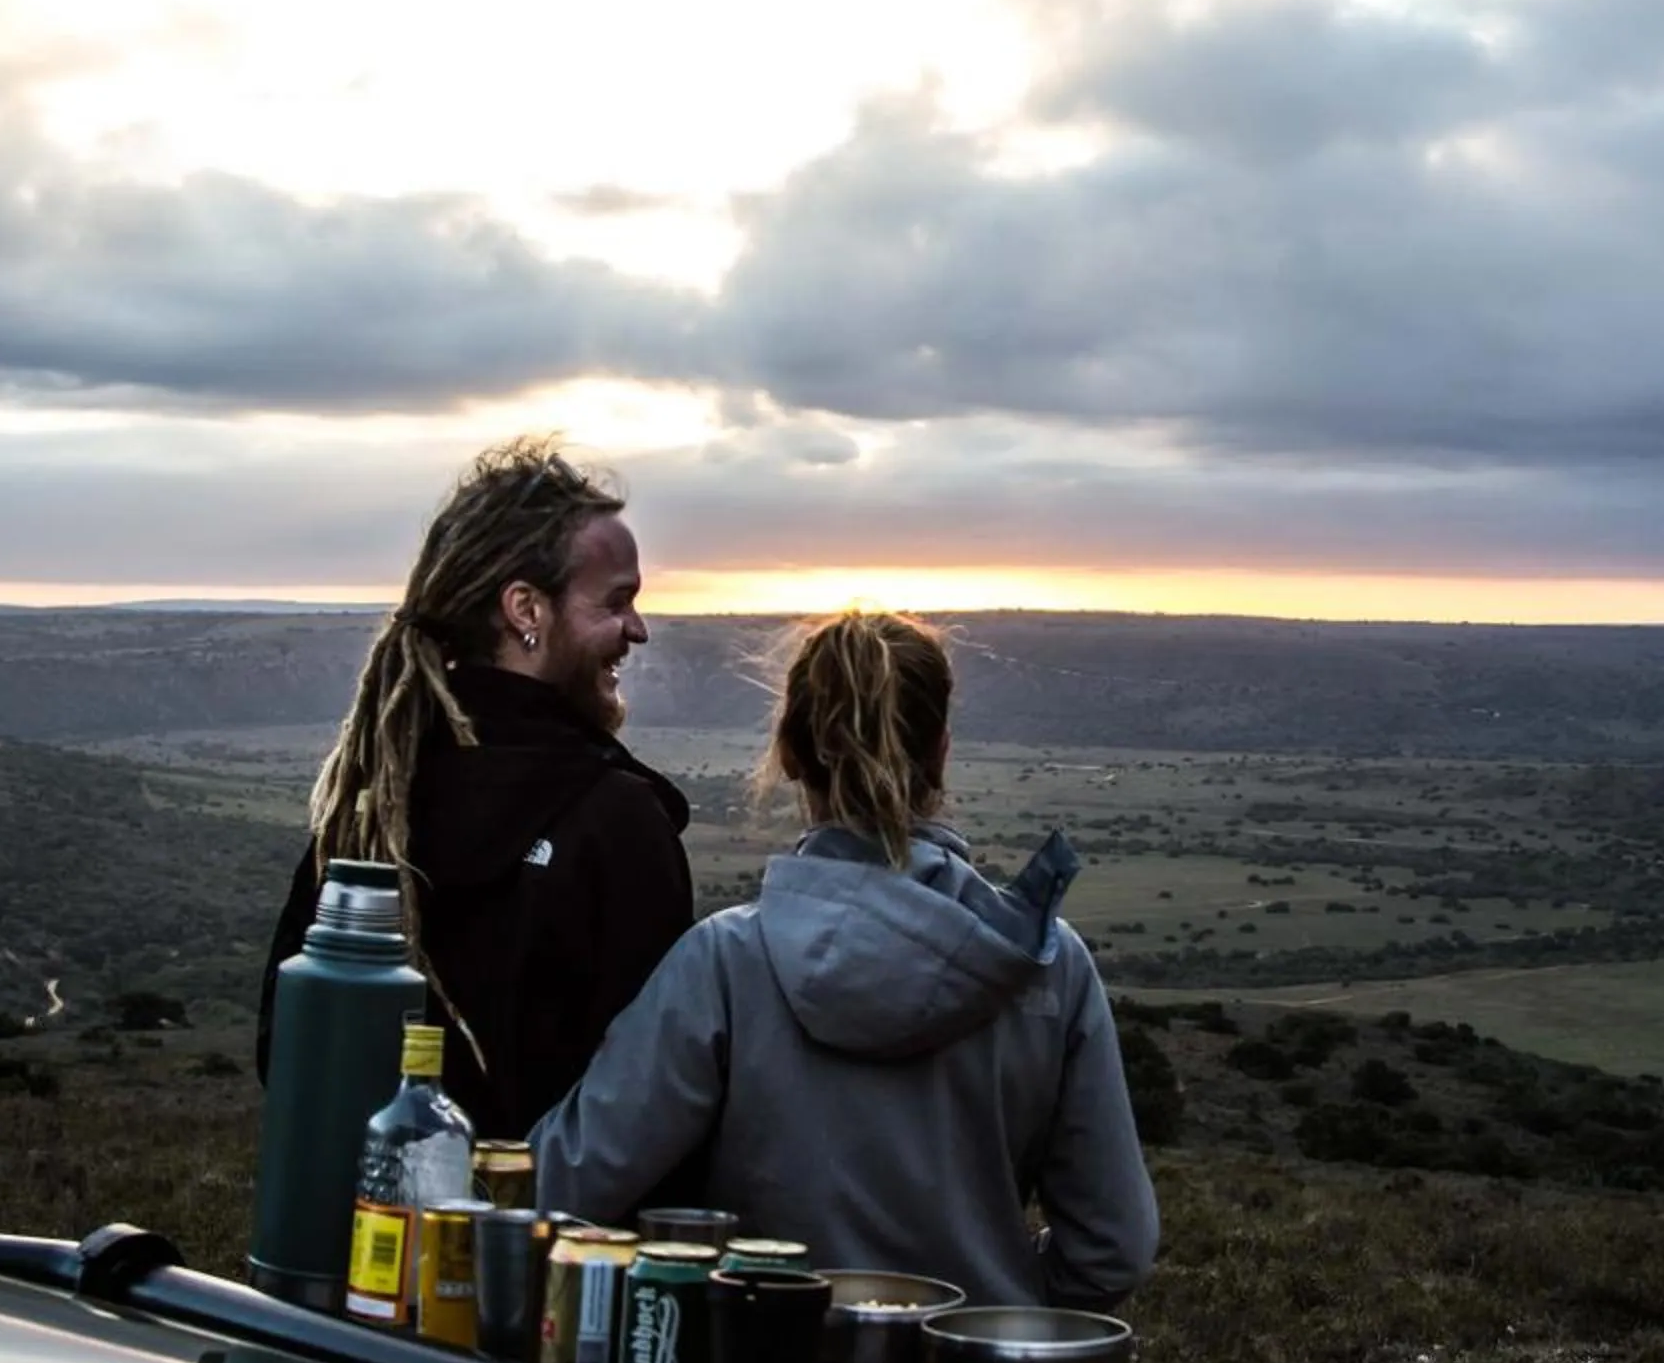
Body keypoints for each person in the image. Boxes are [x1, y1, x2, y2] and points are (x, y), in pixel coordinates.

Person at [531, 611, 1157, 1312]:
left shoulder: (728, 964)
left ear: (791, 754)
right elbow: (1114, 1248)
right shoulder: (1048, 966)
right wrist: (997, 1292)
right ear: (941, 752)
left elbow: (561, 1187)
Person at [256, 438, 693, 1140]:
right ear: (526, 609)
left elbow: (287, 1054)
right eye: (618, 602)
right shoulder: (616, 822)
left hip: (365, 1237)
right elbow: (653, 1107)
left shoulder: (375, 805)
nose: (636, 630)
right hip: (541, 1238)